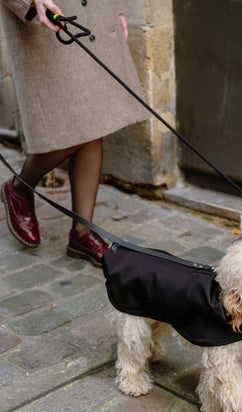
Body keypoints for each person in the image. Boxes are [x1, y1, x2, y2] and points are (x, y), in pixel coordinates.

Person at [0, 0, 148, 266]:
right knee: (69, 123)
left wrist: (115, 9)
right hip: (47, 12)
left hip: (94, 10)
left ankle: (82, 232)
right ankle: (20, 188)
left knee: (94, 117)